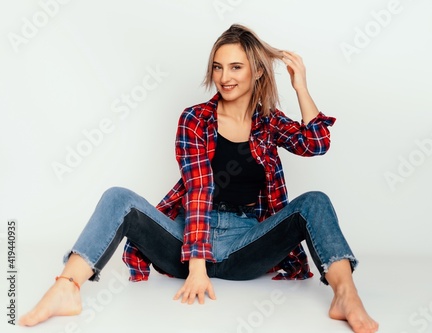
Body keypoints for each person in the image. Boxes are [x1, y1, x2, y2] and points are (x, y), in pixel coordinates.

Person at [19, 24, 378, 333]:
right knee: (118, 196)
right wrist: (196, 267)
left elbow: (317, 144)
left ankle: (346, 295)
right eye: (218, 67)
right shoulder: (195, 119)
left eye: (236, 67)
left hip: (245, 244)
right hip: (186, 239)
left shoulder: (269, 122)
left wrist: (301, 86)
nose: (225, 77)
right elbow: (199, 189)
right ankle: (67, 288)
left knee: (315, 201)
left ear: (257, 72)